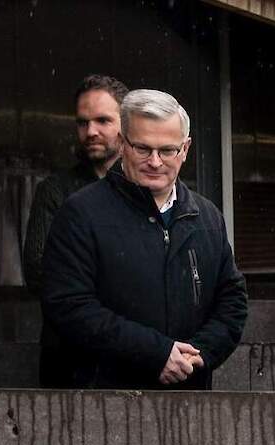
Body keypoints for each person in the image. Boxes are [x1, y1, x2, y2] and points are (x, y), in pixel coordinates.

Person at [40, 89, 248, 389]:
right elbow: (69, 306)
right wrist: (154, 354)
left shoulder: (206, 217)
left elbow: (232, 299)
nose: (155, 161)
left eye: (167, 150)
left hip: (188, 400)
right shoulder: (81, 214)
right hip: (104, 403)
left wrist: (196, 355)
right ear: (123, 145)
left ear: (185, 149)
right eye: (142, 148)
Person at [23, 74, 129, 296]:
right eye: (83, 122)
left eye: (102, 120)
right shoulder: (54, 190)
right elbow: (38, 272)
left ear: (127, 124)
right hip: (72, 327)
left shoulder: (144, 187)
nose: (90, 132)